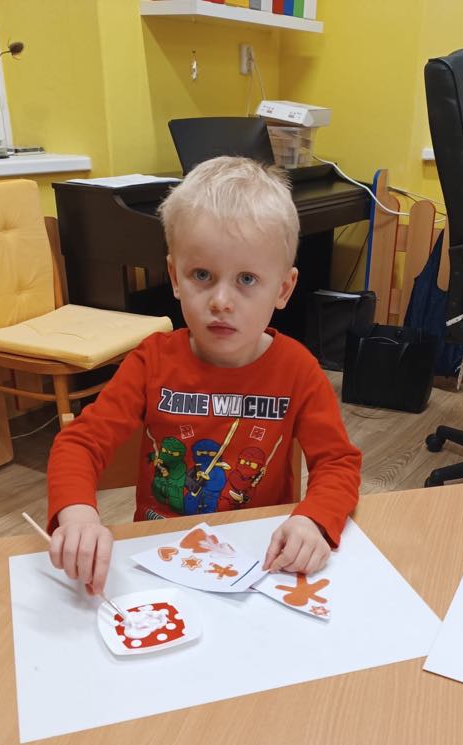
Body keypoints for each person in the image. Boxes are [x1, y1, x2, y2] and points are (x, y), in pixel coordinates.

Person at [46, 156, 361, 595]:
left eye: (247, 279)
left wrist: (313, 519)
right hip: (160, 556)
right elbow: (79, 444)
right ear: (174, 277)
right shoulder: (151, 362)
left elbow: (338, 463)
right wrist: (78, 513)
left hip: (259, 562)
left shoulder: (298, 370)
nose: (221, 301)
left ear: (284, 289)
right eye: (202, 275)